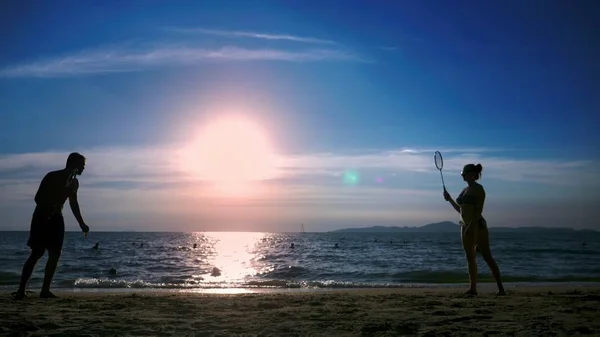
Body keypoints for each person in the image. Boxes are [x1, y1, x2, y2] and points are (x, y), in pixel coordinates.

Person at [14, 152, 90, 299]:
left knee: (55, 254)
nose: (83, 169)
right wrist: (49, 207)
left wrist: (81, 223)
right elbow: (38, 198)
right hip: (42, 217)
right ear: (73, 164)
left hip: (57, 219)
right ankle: (21, 290)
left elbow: (73, 203)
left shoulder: (75, 183)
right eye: (82, 166)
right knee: (37, 253)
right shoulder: (52, 176)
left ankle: (45, 290)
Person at [443, 163, 505, 296]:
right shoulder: (464, 190)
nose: (462, 176)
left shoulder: (479, 189)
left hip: (477, 225)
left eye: (464, 173)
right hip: (464, 226)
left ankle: (501, 288)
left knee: (487, 256)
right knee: (470, 258)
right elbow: (460, 210)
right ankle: (473, 288)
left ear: (471, 174)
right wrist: (449, 199)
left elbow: (479, 209)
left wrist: (472, 225)